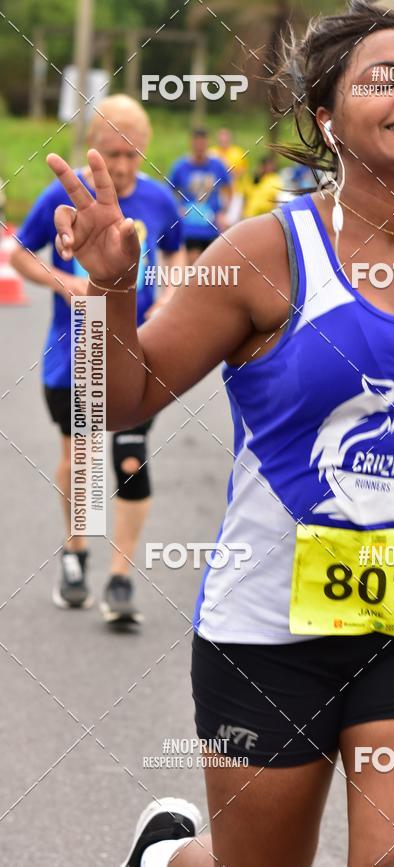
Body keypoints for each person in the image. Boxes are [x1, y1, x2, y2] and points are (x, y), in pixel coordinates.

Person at [46, 0, 394, 867]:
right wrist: (111, 288)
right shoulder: (262, 253)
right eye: (387, 78)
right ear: (326, 117)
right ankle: (170, 858)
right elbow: (122, 401)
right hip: (268, 624)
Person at [12, 94, 183, 626]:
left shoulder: (159, 202)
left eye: (133, 153)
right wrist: (63, 281)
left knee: (130, 456)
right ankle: (76, 552)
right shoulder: (64, 198)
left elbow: (175, 255)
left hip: (139, 351)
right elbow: (19, 250)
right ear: (94, 149)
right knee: (80, 461)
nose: (125, 165)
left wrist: (172, 298)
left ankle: (120, 577)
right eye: (114, 153)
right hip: (75, 355)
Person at [169, 129, 232, 262]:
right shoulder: (180, 167)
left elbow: (228, 189)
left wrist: (224, 211)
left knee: (212, 270)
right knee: (195, 269)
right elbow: (169, 191)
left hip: (212, 224)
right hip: (191, 225)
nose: (199, 148)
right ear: (191, 144)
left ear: (207, 144)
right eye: (197, 144)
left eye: (202, 144)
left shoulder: (217, 165)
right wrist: (177, 209)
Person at [209, 127, 249, 224]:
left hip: (235, 191)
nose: (223, 139)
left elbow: (242, 173)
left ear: (230, 138)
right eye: (221, 136)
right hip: (216, 193)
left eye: (225, 136)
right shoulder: (211, 152)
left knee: (232, 221)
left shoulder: (237, 153)